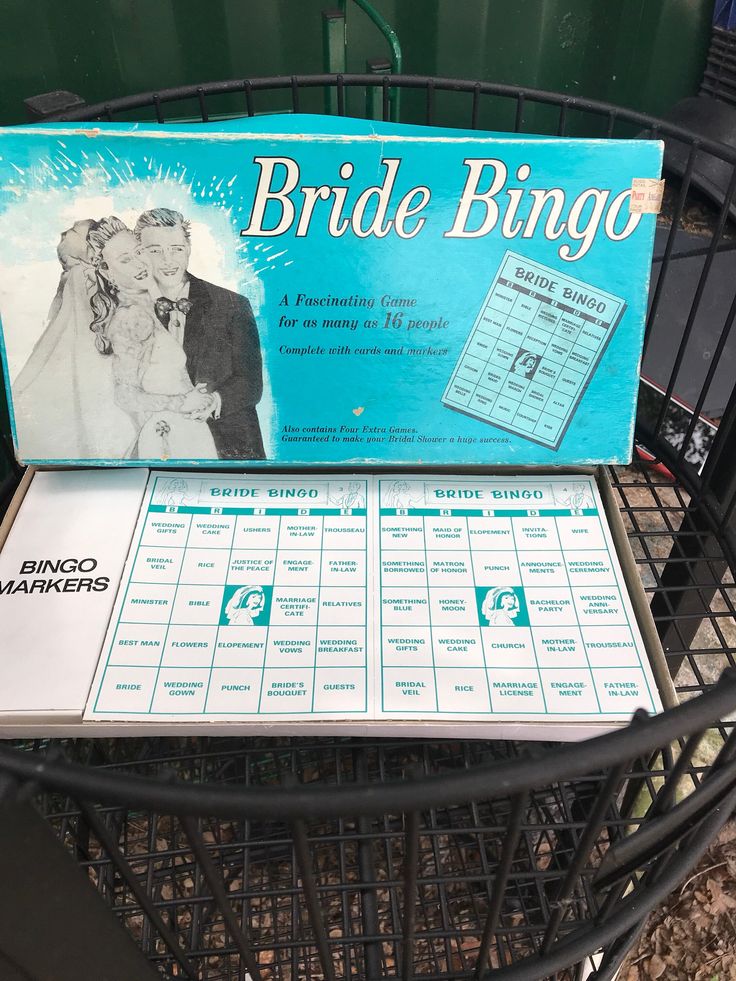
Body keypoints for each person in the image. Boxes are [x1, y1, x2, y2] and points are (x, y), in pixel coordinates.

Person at [134, 207, 266, 460]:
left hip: (224, 446)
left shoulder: (231, 305)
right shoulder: (127, 308)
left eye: (176, 249)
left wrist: (214, 401)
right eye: (155, 251)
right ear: (139, 252)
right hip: (152, 443)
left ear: (189, 248)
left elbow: (251, 383)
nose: (167, 260)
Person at [105, 303, 218, 458]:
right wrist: (178, 403)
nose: (139, 329)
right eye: (132, 329)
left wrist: (200, 399)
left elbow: (181, 375)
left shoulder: (163, 337)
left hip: (192, 420)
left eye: (140, 322)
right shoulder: (129, 355)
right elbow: (124, 396)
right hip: (163, 423)